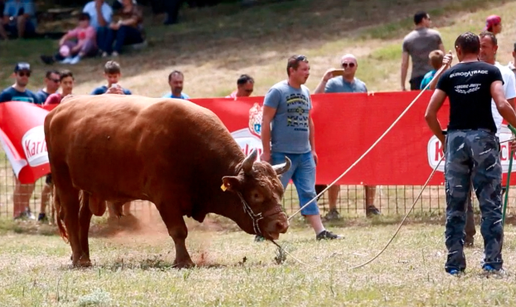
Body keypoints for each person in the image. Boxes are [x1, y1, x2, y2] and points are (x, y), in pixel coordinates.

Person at [424, 31, 516, 275]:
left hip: (456, 140)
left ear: (459, 49)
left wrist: (444, 139)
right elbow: (502, 104)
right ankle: (492, 263)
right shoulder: (491, 71)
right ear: (479, 48)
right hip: (484, 139)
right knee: (490, 204)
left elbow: (429, 114)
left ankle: (454, 265)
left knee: (455, 205)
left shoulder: (449, 75)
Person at [261, 54, 342, 241]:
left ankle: (320, 231)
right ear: (292, 70)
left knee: (308, 191)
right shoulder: (277, 91)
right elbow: (265, 121)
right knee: (273, 193)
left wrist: (312, 149)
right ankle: (263, 229)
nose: (308, 73)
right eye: (304, 69)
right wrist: (267, 152)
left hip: (304, 154)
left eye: (308, 69)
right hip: (282, 153)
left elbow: (308, 121)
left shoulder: (305, 92)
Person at [459, 31, 516, 247]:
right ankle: (467, 234)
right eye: (478, 46)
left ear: (495, 49)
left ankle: (491, 237)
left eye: (485, 46)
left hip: (495, 134)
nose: (481, 50)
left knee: (490, 190)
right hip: (467, 133)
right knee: (462, 188)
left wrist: (511, 133)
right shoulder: (466, 70)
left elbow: (510, 106)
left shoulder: (505, 74)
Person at [314, 53, 381, 219]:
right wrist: (324, 80)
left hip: (358, 134)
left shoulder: (361, 85)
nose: (348, 67)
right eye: (344, 64)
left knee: (368, 168)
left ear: (356, 67)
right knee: (336, 173)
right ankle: (333, 209)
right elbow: (316, 99)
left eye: (351, 64)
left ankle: (370, 206)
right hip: (338, 135)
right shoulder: (332, 84)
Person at [0, 62, 40, 219]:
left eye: (27, 73)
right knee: (20, 178)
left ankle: (26, 208)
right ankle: (18, 212)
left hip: (30, 142)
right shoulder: (6, 95)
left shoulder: (33, 96)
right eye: (21, 73)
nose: (24, 76)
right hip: (14, 143)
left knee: (31, 178)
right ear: (15, 74)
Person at [401, 11, 444, 91]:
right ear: (423, 20)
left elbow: (404, 64)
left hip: (417, 78)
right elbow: (443, 56)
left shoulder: (407, 39)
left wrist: (403, 85)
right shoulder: (435, 35)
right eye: (429, 19)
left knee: (419, 103)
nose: (430, 21)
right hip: (435, 76)